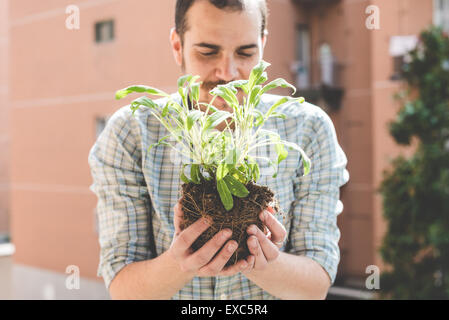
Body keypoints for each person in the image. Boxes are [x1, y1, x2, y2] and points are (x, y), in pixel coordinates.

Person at [88, 0, 349, 300]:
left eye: (245, 52)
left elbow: (316, 285)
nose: (227, 73)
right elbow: (123, 288)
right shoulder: (130, 133)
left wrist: (264, 263)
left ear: (263, 46)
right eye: (207, 51)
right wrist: (179, 264)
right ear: (177, 46)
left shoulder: (309, 128)